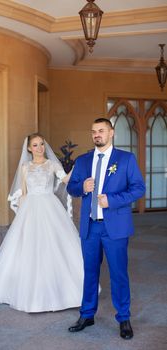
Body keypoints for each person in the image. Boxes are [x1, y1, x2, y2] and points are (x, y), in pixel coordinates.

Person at [0, 133, 84, 312]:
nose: (39, 148)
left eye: (41, 144)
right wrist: (21, 216)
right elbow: (23, 191)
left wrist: (77, 167)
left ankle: (61, 290)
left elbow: (64, 180)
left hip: (49, 206)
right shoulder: (25, 166)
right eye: (35, 145)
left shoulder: (52, 164)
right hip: (30, 208)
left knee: (53, 245)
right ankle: (25, 291)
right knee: (28, 247)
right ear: (29, 148)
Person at [67, 118, 145, 339]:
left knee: (118, 274)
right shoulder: (82, 161)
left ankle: (124, 318)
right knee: (90, 272)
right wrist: (81, 187)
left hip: (115, 228)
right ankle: (87, 314)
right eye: (93, 132)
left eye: (101, 131)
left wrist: (113, 200)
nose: (97, 135)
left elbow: (138, 188)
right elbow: (72, 188)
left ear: (111, 133)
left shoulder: (126, 159)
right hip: (90, 227)